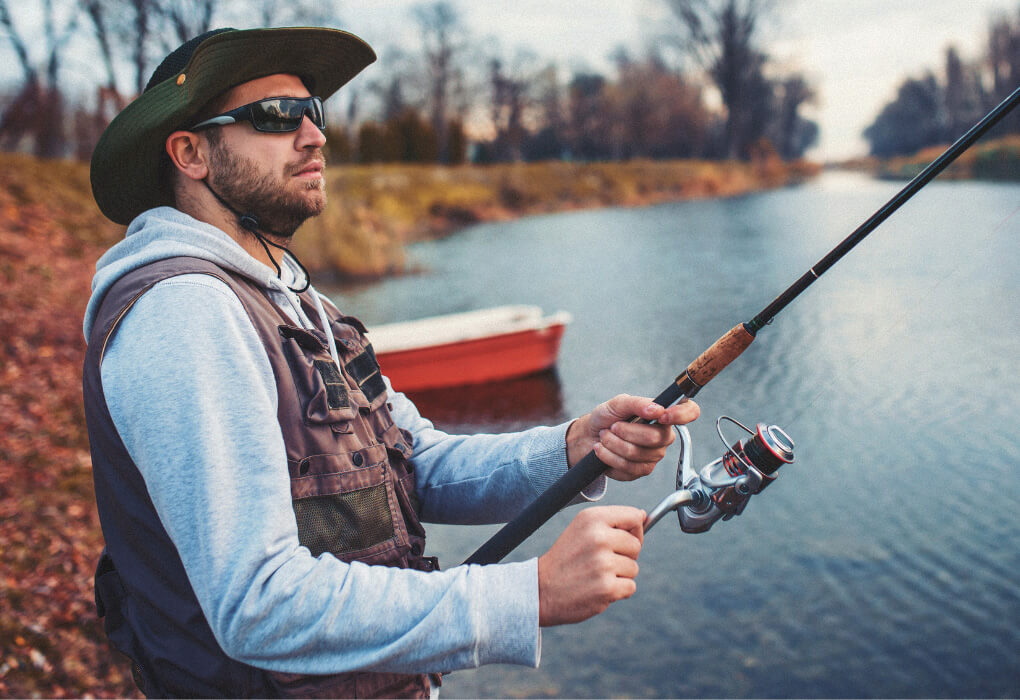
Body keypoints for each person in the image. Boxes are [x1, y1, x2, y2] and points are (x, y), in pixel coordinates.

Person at [83, 27, 700, 698]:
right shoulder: (185, 311)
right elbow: (258, 602)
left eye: (313, 112)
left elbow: (415, 463)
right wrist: (526, 594)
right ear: (190, 153)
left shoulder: (296, 300)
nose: (314, 135)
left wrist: (575, 448)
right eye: (275, 116)